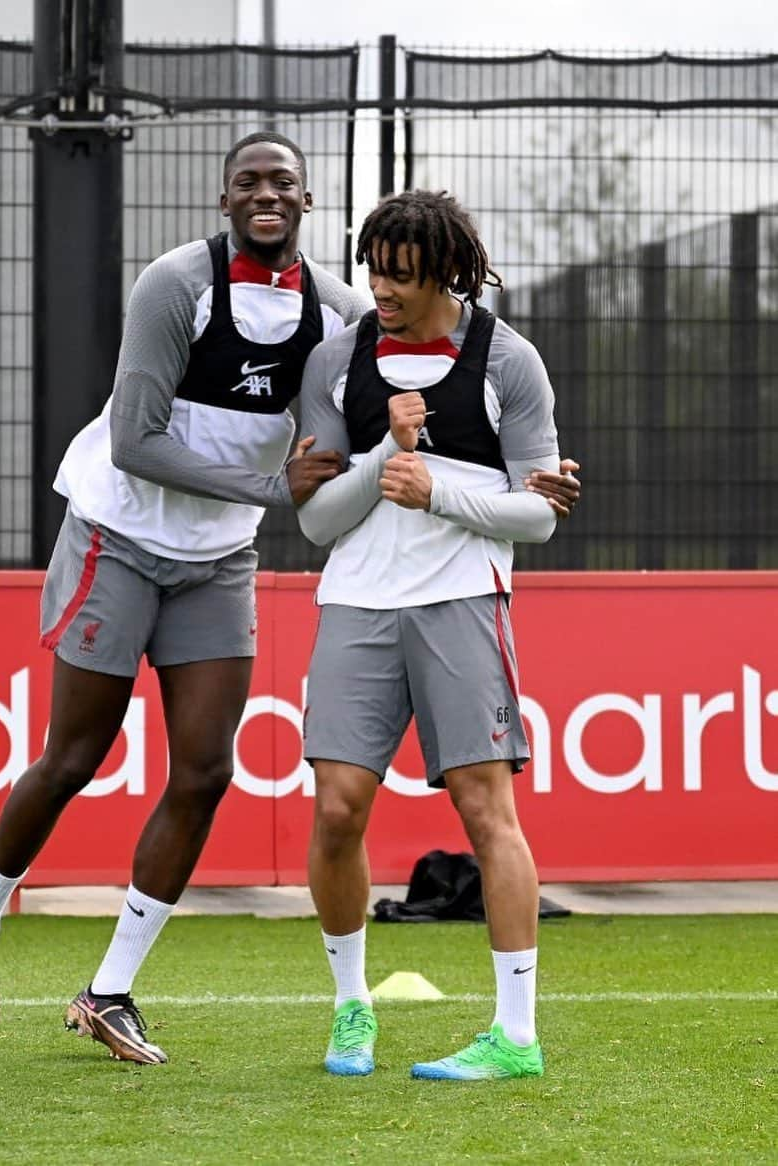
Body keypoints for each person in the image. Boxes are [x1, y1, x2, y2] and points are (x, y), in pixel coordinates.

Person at [0, 134, 581, 1065]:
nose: (265, 194)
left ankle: (111, 990)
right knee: (75, 754)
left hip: (221, 559)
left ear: (308, 199)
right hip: (118, 535)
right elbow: (135, 441)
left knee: (205, 772)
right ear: (225, 196)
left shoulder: (346, 313)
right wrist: (283, 490)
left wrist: (534, 482)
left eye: (282, 181)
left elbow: (416, 379)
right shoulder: (175, 283)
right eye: (248, 181)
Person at [295, 189, 569, 1081]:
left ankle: (516, 1038)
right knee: (337, 807)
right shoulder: (337, 360)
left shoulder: (509, 361)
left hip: (463, 599)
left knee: (489, 812)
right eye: (374, 269)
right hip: (358, 601)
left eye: (402, 276)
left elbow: (539, 516)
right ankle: (350, 1011)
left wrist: (439, 491)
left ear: (446, 272)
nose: (382, 289)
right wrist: (383, 457)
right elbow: (315, 523)